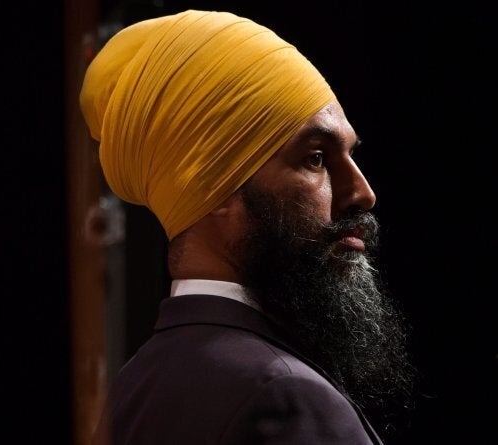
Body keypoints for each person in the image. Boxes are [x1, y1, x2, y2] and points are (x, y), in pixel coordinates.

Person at [79, 9, 414, 444]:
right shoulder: (283, 397)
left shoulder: (135, 386)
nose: (362, 193)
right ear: (212, 187)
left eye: (350, 156)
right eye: (315, 158)